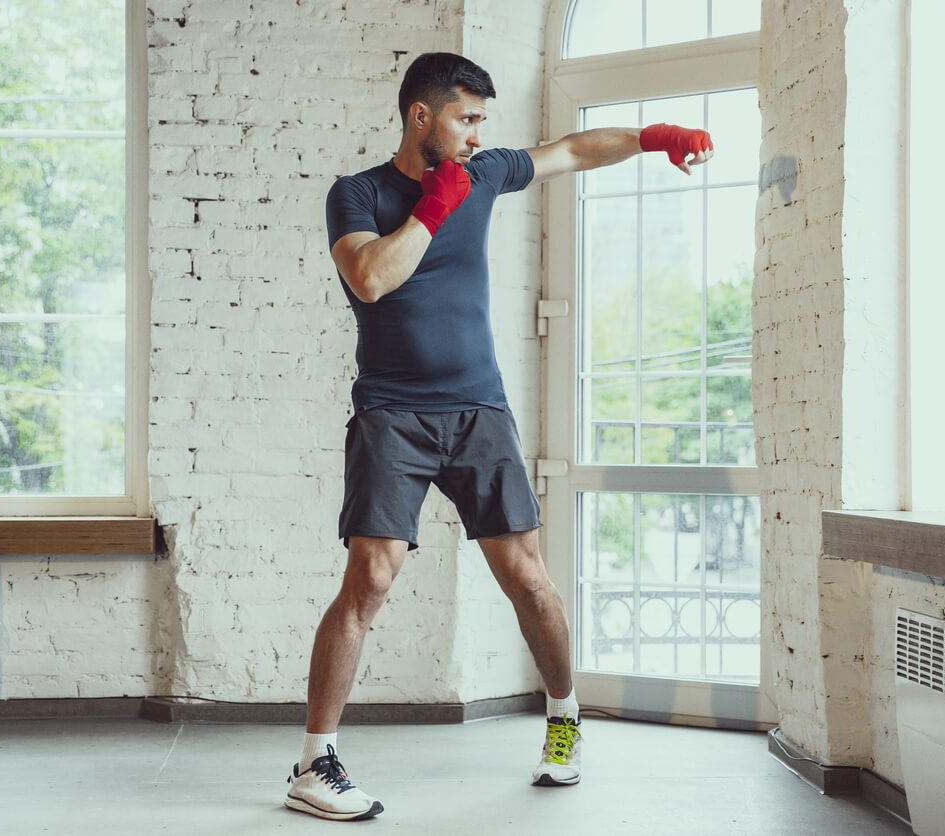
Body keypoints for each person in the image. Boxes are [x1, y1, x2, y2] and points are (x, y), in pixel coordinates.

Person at [284, 52, 713, 822]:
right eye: (467, 118)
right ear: (422, 117)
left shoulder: (481, 173)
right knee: (371, 580)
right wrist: (432, 209)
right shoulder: (359, 194)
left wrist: (654, 136)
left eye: (483, 120)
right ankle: (315, 762)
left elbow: (574, 150)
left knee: (528, 577)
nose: (480, 135)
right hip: (392, 412)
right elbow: (372, 279)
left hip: (478, 409)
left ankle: (564, 720)